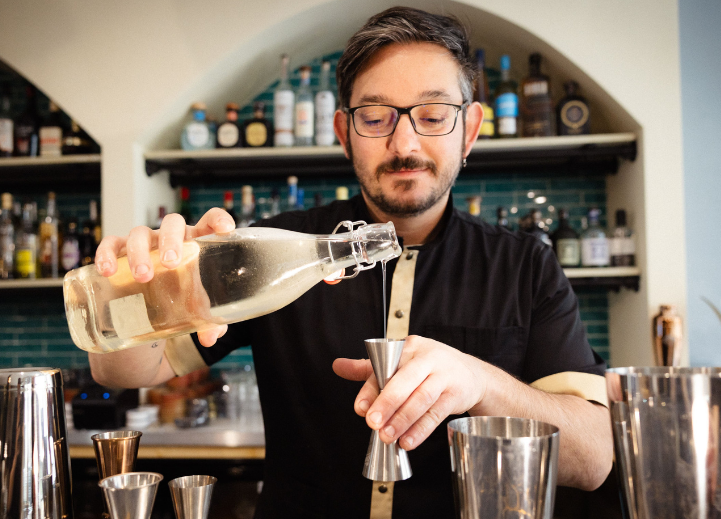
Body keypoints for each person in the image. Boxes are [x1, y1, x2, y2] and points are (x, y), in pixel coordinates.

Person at [90, 7, 615, 518]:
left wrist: (481, 384)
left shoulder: (525, 266)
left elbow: (592, 459)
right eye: (375, 118)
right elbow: (130, 370)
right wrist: (138, 288)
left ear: (469, 130)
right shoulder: (276, 248)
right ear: (344, 133)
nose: (404, 142)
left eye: (432, 116)